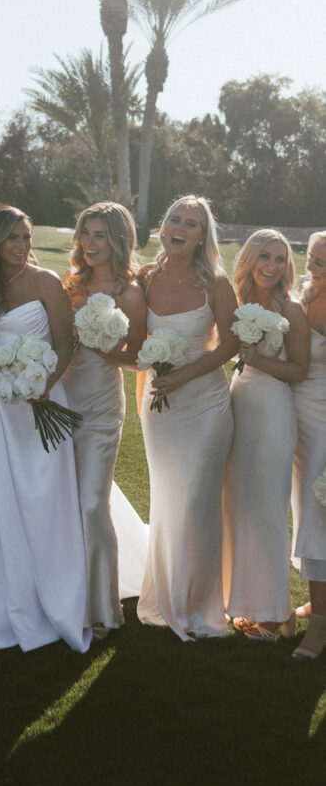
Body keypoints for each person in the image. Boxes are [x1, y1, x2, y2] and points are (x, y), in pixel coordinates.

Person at [0, 206, 91, 652]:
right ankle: (0, 594)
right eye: (12, 237)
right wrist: (1, 377)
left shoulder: (47, 282)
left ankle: (55, 592)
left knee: (46, 498)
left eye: (26, 237)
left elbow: (66, 343)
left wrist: (42, 386)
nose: (21, 245)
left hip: (41, 400)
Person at [136, 195, 237, 641]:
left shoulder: (215, 282)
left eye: (190, 224)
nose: (179, 228)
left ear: (201, 236)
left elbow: (233, 345)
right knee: (169, 501)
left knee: (198, 503)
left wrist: (185, 376)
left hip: (207, 407)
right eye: (174, 219)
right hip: (161, 411)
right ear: (163, 226)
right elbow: (133, 340)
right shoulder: (143, 279)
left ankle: (198, 608)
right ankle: (165, 600)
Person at [62, 202, 148, 642]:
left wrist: (101, 348)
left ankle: (103, 608)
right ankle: (64, 595)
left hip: (99, 407)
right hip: (59, 401)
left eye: (100, 235)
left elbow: (138, 357)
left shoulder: (131, 292)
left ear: (118, 240)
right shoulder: (71, 281)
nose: (90, 243)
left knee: (93, 504)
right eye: (86, 233)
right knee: (61, 502)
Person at [223, 229, 309, 641]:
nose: (272, 267)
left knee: (268, 513)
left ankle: (274, 616)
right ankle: (264, 607)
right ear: (250, 260)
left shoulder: (290, 308)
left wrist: (257, 359)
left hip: (273, 411)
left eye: (280, 259)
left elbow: (300, 370)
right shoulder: (238, 301)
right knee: (240, 508)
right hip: (239, 406)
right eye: (265, 257)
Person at [290, 231, 326, 659]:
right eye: (311, 258)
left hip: (323, 420)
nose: (313, 267)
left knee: (319, 520)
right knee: (306, 511)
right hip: (296, 418)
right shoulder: (305, 291)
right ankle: (319, 601)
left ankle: (319, 630)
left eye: (323, 262)